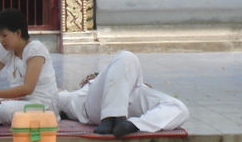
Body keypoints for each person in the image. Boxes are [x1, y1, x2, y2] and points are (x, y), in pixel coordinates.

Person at [55, 50, 189, 137]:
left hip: (132, 100)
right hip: (96, 108)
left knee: (179, 108)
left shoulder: (128, 77)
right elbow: (55, 97)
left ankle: (133, 125)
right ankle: (112, 117)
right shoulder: (78, 95)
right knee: (126, 56)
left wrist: (134, 124)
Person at [0, 8, 58, 126]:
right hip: (20, 102)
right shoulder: (5, 50)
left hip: (42, 104)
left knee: (4, 110)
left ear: (18, 33)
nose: (1, 40)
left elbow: (27, 88)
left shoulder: (35, 49)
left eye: (4, 35)